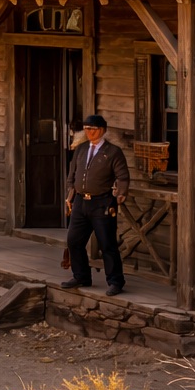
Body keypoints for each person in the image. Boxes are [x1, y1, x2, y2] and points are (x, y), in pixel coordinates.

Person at [63, 114, 131, 295]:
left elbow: (123, 176)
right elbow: (72, 173)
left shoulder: (113, 151)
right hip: (80, 202)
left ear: (102, 130)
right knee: (74, 240)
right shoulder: (81, 149)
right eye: (86, 129)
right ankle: (81, 276)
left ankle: (116, 281)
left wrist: (121, 194)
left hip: (102, 202)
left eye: (92, 129)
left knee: (107, 243)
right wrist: (70, 192)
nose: (89, 132)